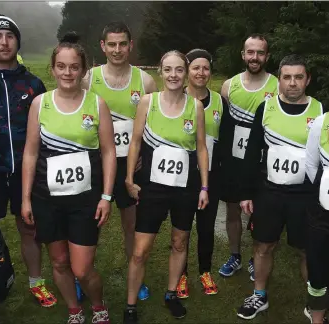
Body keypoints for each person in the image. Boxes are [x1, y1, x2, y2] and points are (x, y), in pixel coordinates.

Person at [21, 31, 116, 324]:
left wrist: (106, 196)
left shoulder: (96, 104)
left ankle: (98, 304)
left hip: (85, 200)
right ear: (53, 69)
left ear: (83, 70)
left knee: (82, 269)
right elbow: (30, 154)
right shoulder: (40, 104)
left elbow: (109, 152)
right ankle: (74, 310)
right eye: (61, 66)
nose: (67, 72)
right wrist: (25, 198)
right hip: (46, 198)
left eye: (74, 66)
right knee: (59, 262)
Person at [0, 14, 57, 308]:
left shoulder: (33, 84)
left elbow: (46, 130)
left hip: (25, 172)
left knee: (29, 228)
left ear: (18, 41)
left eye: (9, 36)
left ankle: (36, 282)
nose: (4, 42)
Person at [236, 54, 324, 320]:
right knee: (263, 246)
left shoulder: (321, 111)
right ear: (279, 80)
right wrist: (246, 193)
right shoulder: (266, 108)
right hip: (269, 192)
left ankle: (314, 302)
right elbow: (251, 153)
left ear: (307, 80)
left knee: (307, 250)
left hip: (306, 196)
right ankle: (259, 296)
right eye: (287, 77)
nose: (293, 83)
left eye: (299, 77)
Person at [123, 50, 209, 323]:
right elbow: (135, 142)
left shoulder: (195, 106)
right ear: (160, 72)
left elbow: (201, 147)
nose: (174, 75)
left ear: (185, 73)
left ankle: (171, 294)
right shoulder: (148, 102)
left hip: (185, 187)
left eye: (179, 70)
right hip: (153, 186)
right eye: (168, 70)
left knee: (179, 241)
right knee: (140, 250)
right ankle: (130, 305)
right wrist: (129, 178)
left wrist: (205, 187)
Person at [82, 21, 158, 302]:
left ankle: (135, 277)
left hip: (130, 167)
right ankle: (83, 273)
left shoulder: (146, 82)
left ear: (130, 46)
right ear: (103, 46)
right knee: (90, 225)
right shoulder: (89, 79)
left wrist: (143, 158)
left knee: (132, 225)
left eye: (122, 44)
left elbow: (153, 126)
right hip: (97, 165)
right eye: (111, 44)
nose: (117, 50)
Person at [218, 34, 279, 281]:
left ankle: (257, 258)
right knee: (233, 210)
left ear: (267, 56)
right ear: (243, 55)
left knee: (260, 213)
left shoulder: (276, 86)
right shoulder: (228, 86)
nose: (255, 57)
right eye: (250, 52)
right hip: (234, 161)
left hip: (263, 162)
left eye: (260, 53)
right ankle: (235, 255)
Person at [176, 49, 229, 299]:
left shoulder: (219, 102)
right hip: (183, 176)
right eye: (196, 67)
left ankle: (204, 271)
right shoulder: (176, 98)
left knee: (206, 228)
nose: (201, 72)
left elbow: (225, 140)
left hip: (211, 176)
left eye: (206, 68)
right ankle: (181, 274)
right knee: (182, 227)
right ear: (188, 70)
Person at [305, 111, 329, 324]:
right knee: (318, 269)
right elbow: (311, 165)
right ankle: (317, 318)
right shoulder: (322, 122)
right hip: (322, 213)